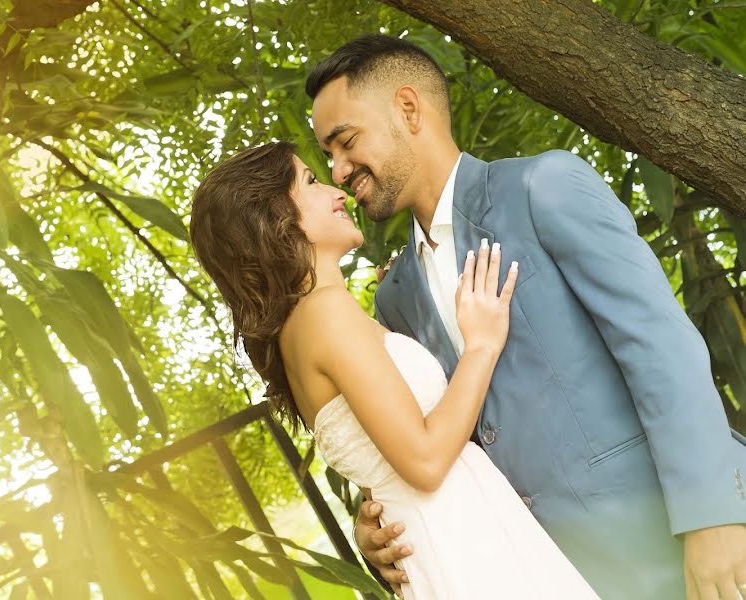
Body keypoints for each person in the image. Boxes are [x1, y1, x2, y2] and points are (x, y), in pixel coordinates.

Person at [304, 34, 746, 600]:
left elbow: (660, 346)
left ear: (408, 109)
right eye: (327, 158)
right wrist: (382, 525)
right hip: (550, 576)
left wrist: (713, 516)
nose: (339, 171)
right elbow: (441, 442)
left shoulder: (543, 187)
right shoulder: (394, 298)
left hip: (689, 546)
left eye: (345, 143)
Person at [189, 141, 599, 598]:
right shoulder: (325, 315)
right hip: (465, 543)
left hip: (447, 538)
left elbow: (381, 458)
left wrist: (367, 521)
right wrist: (481, 345)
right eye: (310, 181)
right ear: (274, 220)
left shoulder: (302, 329)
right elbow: (424, 460)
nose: (336, 192)